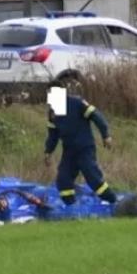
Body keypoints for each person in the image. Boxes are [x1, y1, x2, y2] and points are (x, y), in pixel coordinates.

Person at [43, 75, 118, 206]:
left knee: (92, 176)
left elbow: (96, 116)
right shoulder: (53, 112)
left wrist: (105, 135)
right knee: (63, 180)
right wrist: (48, 152)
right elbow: (53, 135)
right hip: (69, 152)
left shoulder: (76, 103)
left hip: (85, 148)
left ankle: (113, 202)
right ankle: (71, 207)